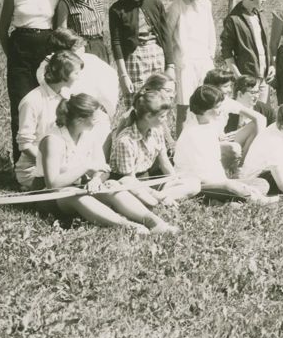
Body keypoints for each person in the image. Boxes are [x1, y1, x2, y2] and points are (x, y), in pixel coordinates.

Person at [39, 94, 178, 234]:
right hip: (51, 196)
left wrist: (96, 179)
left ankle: (154, 222)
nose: (97, 121)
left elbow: (104, 169)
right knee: (73, 194)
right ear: (80, 120)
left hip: (80, 186)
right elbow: (52, 184)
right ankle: (126, 226)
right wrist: (86, 166)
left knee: (113, 185)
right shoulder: (53, 140)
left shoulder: (87, 134)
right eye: (94, 118)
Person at [0, 0, 60, 163]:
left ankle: (47, 160)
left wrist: (51, 58)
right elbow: (2, 30)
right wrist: (13, 56)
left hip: (46, 54)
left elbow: (59, 29)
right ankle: (21, 164)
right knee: (21, 106)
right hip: (20, 53)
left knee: (47, 105)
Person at [173, 85, 276, 204]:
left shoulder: (210, 125)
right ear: (204, 109)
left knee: (262, 183)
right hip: (197, 184)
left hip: (216, 181)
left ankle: (225, 200)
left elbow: (214, 165)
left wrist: (230, 183)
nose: (221, 110)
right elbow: (202, 175)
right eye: (217, 107)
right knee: (232, 187)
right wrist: (228, 184)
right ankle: (254, 199)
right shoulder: (192, 133)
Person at [108, 88, 201, 206]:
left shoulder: (157, 131)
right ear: (148, 116)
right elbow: (129, 180)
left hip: (147, 182)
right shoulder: (125, 141)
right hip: (129, 185)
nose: (165, 119)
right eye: (162, 116)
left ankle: (159, 200)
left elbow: (165, 163)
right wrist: (158, 194)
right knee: (135, 191)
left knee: (194, 184)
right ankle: (158, 200)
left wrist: (176, 182)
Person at [14, 50, 83, 189]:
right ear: (64, 74)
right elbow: (25, 145)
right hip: (34, 169)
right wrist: (54, 163)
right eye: (76, 73)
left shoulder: (68, 96)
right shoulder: (32, 101)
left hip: (64, 163)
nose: (79, 77)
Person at [108, 0, 175, 101]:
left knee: (160, 102)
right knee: (138, 102)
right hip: (135, 59)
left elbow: (165, 34)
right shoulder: (117, 9)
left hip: (157, 56)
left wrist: (170, 66)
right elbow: (116, 43)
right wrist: (123, 75)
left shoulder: (155, 3)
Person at [167, 0, 217, 137]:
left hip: (204, 61)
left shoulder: (206, 4)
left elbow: (211, 32)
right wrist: (172, 64)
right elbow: (167, 36)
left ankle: (205, 139)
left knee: (208, 103)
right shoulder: (176, 7)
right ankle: (180, 147)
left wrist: (211, 55)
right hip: (185, 63)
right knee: (185, 107)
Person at [37, 28, 119, 119]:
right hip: (64, 113)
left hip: (90, 110)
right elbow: (53, 94)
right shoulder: (47, 67)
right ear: (64, 54)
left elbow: (109, 83)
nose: (83, 49)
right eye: (77, 48)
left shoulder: (91, 60)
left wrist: (107, 110)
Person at [221, 0, 274, 104]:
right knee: (246, 116)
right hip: (247, 78)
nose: (265, 0)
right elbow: (227, 52)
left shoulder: (260, 15)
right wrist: (239, 77)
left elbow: (266, 45)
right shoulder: (233, 19)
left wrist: (271, 65)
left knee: (262, 113)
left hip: (264, 77)